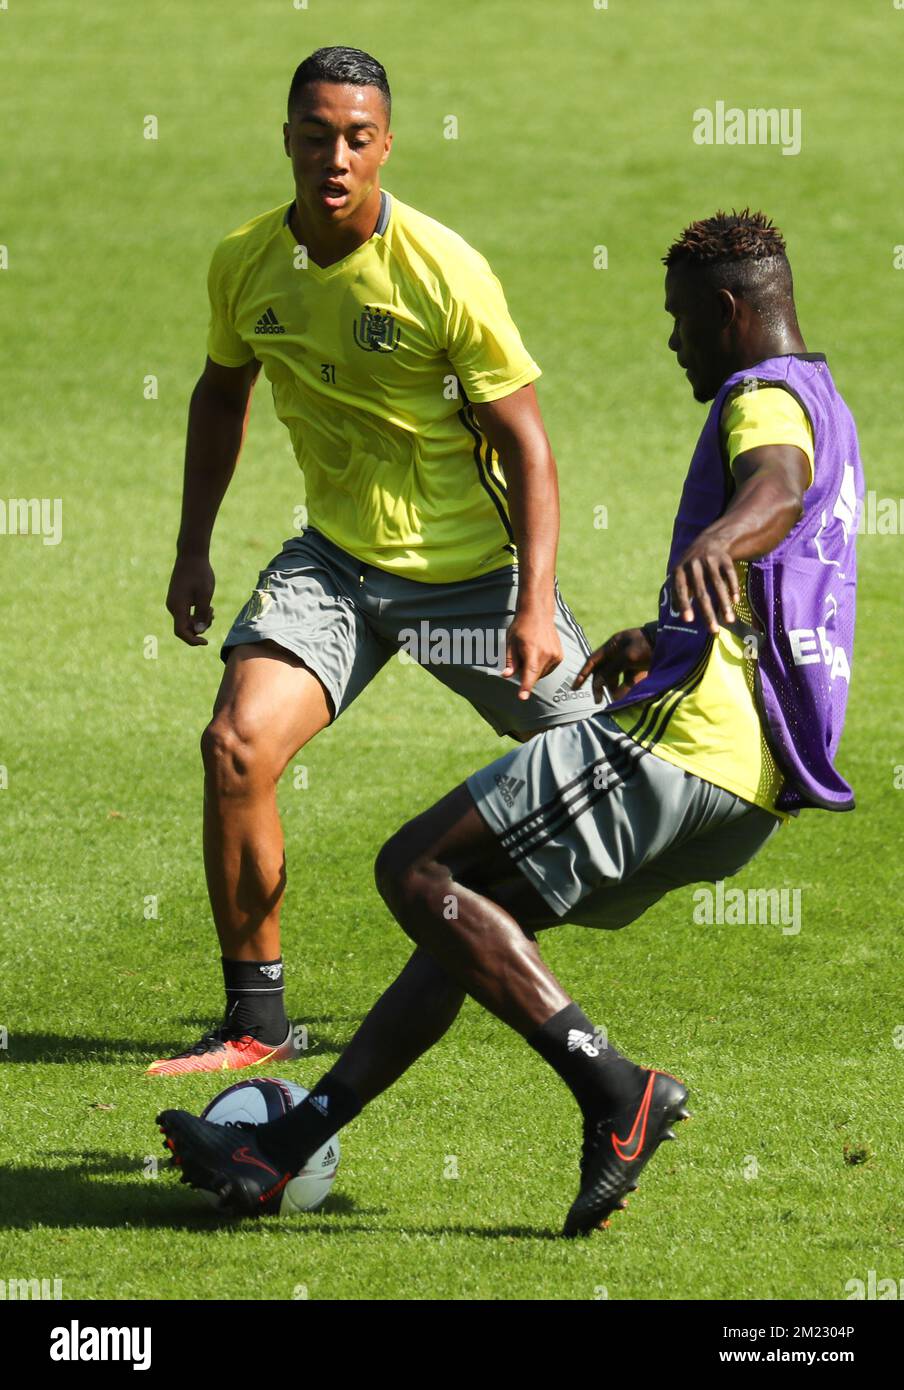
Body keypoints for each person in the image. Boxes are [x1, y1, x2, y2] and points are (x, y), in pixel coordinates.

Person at [157, 209, 862, 1237]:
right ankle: (281, 1149)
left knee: (412, 869)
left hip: (683, 748)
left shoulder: (762, 399)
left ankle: (616, 1090)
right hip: (748, 781)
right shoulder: (828, 396)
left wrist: (721, 535)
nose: (672, 344)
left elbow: (776, 488)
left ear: (727, 310)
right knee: (463, 924)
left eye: (679, 322)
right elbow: (781, 559)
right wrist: (656, 630)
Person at [148, 46, 599, 1076]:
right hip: (337, 568)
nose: (335, 157)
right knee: (235, 748)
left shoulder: (445, 271)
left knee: (606, 785)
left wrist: (534, 605)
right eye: (316, 136)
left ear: (387, 144)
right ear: (288, 142)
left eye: (357, 137)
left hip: (473, 579)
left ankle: (497, 961)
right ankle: (255, 1021)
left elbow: (527, 445)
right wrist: (191, 549)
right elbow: (221, 393)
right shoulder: (248, 262)